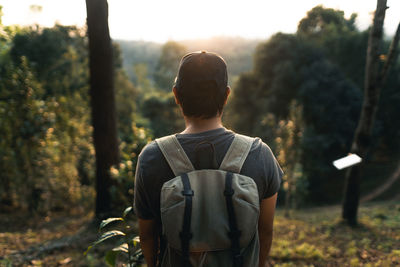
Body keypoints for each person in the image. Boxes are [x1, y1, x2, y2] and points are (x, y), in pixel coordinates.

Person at [134, 51, 282, 267]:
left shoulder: (152, 157)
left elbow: (148, 237)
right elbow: (265, 231)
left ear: (176, 95)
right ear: (226, 95)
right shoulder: (259, 154)